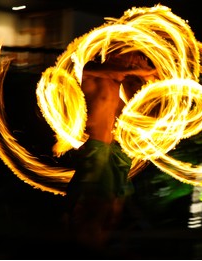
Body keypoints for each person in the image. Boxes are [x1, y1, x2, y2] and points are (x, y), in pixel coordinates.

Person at [64, 49, 158, 250]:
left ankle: (97, 251)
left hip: (118, 154)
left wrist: (148, 73)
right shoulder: (92, 70)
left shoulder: (124, 84)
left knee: (113, 215)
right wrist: (143, 70)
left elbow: (151, 96)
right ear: (116, 54)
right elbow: (103, 71)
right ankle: (83, 254)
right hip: (98, 151)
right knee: (94, 212)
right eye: (133, 54)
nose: (139, 59)